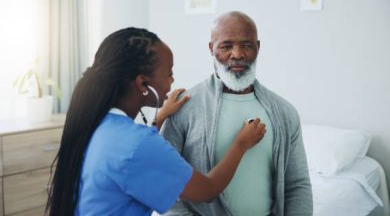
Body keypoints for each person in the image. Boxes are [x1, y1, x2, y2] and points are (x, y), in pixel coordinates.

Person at [45, 27, 267, 216]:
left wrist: (159, 117)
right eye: (169, 73)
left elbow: (130, 158)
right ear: (143, 85)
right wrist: (240, 144)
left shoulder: (97, 125)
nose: (172, 80)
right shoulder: (137, 145)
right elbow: (206, 190)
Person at [161, 11, 313, 216]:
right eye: (226, 46)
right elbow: (163, 181)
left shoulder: (284, 113)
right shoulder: (184, 107)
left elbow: (297, 185)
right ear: (211, 48)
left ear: (258, 48)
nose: (237, 54)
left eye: (247, 45)